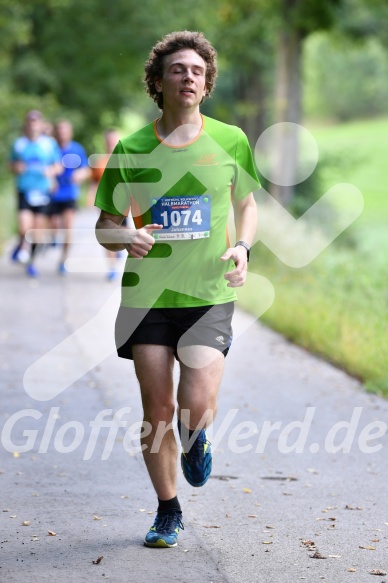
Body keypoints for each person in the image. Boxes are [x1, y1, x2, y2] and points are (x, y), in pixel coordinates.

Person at [94, 31, 259, 548]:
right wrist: (127, 235)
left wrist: (244, 248)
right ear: (158, 82)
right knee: (157, 409)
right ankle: (168, 510)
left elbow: (248, 205)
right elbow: (105, 227)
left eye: (196, 71)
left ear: (206, 83)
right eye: (177, 70)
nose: (188, 77)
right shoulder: (133, 148)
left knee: (194, 407)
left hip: (208, 293)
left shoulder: (230, 140)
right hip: (147, 298)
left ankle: (195, 438)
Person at [9, 109, 62, 277]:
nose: (33, 124)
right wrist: (16, 167)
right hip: (25, 189)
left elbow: (58, 166)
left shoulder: (49, 144)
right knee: (25, 227)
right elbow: (10, 164)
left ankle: (31, 261)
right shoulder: (19, 144)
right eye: (30, 121)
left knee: (37, 232)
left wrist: (51, 171)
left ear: (40, 124)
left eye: (36, 121)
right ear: (27, 124)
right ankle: (22, 245)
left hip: (42, 190)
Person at [88, 128, 132, 281]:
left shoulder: (126, 159)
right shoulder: (99, 162)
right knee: (107, 232)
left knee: (123, 230)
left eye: (114, 140)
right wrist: (90, 197)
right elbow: (93, 183)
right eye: (109, 140)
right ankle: (112, 267)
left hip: (124, 204)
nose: (111, 143)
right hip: (106, 203)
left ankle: (119, 246)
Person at [49, 119, 90, 274]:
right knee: (53, 225)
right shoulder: (51, 148)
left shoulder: (77, 149)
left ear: (70, 132)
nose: (62, 134)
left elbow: (85, 170)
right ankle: (53, 237)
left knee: (67, 228)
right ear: (56, 132)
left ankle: (63, 260)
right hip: (52, 193)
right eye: (59, 131)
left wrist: (79, 175)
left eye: (65, 131)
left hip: (69, 193)